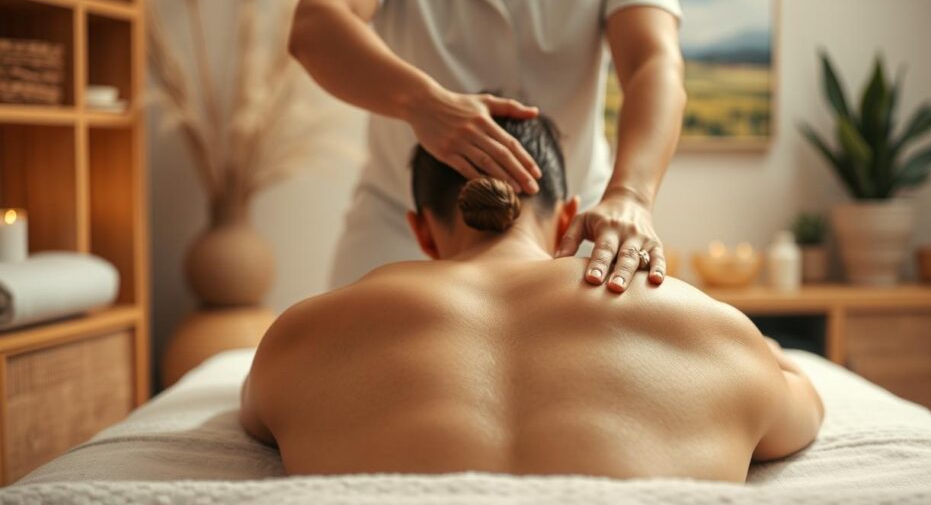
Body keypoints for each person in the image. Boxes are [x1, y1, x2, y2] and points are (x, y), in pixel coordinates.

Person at [240, 116, 824, 482]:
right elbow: (805, 411)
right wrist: (772, 352)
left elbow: (255, 416)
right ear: (569, 216)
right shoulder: (710, 329)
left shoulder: (305, 334)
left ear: (422, 229)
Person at [290, 0, 686, 293]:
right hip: (401, 223)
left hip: (575, 222)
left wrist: (630, 195)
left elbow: (653, 63)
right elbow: (316, 23)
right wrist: (421, 102)